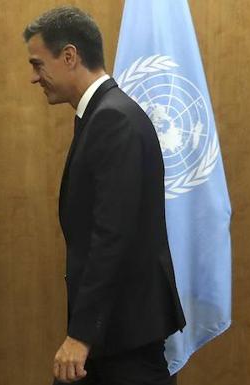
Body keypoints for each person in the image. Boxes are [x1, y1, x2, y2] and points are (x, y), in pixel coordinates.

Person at [23, 7, 185, 384]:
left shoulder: (113, 119)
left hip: (123, 338)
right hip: (113, 334)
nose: (33, 78)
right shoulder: (102, 115)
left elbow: (113, 236)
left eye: (37, 64)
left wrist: (82, 334)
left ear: (69, 56)